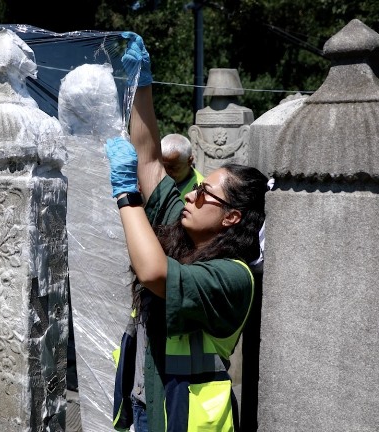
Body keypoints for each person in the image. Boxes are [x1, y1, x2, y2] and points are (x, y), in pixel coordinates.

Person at [108, 32, 268, 432]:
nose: (192, 195)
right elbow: (149, 162)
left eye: (204, 193)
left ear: (231, 217)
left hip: (184, 418)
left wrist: (126, 195)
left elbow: (153, 273)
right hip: (148, 402)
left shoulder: (233, 276)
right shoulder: (184, 231)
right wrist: (141, 84)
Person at [160, 133, 203, 202]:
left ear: (190, 161)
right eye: (163, 166)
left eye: (172, 167)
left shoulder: (201, 189)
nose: (166, 172)